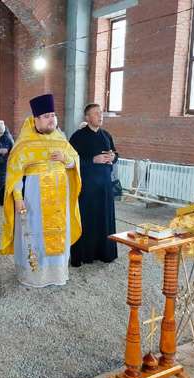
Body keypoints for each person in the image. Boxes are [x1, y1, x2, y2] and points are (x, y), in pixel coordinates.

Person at [0, 94, 82, 287]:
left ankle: (56, 275)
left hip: (60, 200)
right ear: (35, 120)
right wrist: (17, 198)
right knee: (35, 234)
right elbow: (14, 174)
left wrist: (66, 159)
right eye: (46, 116)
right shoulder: (24, 143)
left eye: (53, 115)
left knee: (59, 233)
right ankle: (34, 275)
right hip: (34, 200)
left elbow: (74, 162)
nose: (51, 119)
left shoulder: (61, 140)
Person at [69, 104, 118, 266]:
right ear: (87, 117)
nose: (100, 116)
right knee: (87, 219)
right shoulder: (77, 137)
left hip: (104, 185)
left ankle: (104, 253)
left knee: (104, 218)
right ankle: (85, 254)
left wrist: (113, 157)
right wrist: (92, 160)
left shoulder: (106, 135)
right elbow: (71, 162)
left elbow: (115, 153)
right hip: (87, 187)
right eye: (96, 113)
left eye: (101, 113)